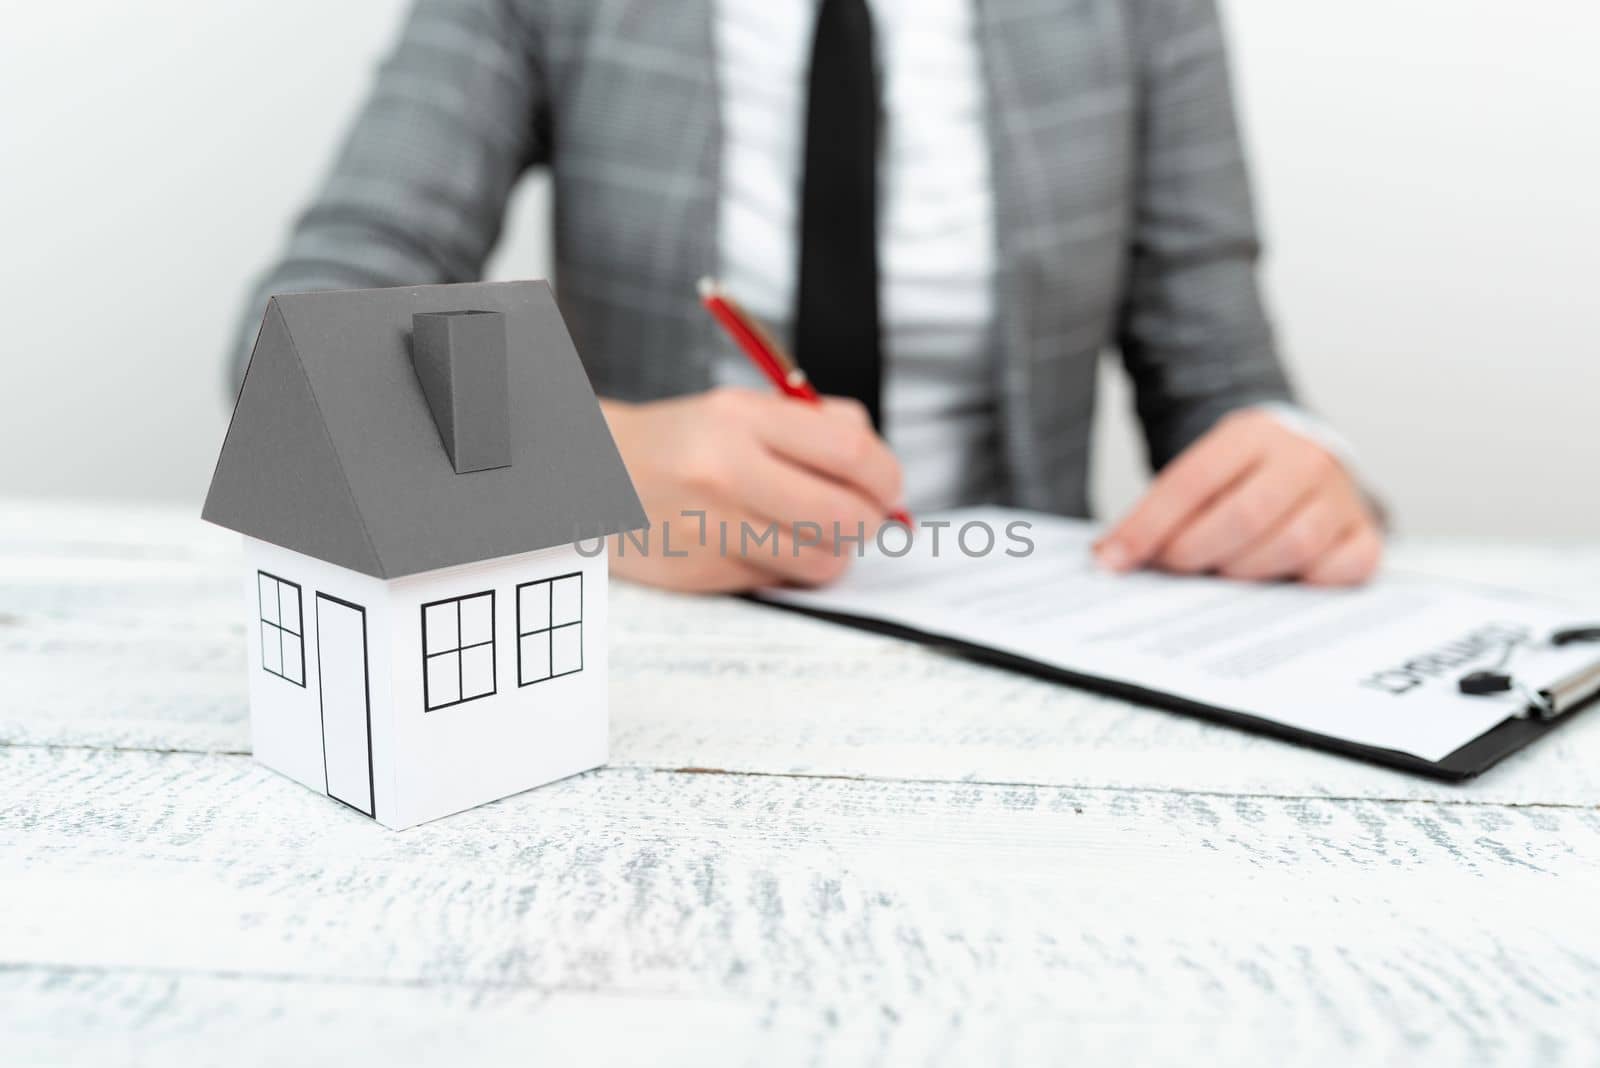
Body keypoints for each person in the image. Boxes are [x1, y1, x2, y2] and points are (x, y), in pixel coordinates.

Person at [232, 0, 1383, 592]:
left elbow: (1226, 385)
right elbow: (291, 347)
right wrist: (583, 473)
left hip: (1020, 642)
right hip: (660, 648)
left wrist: (1290, 474)